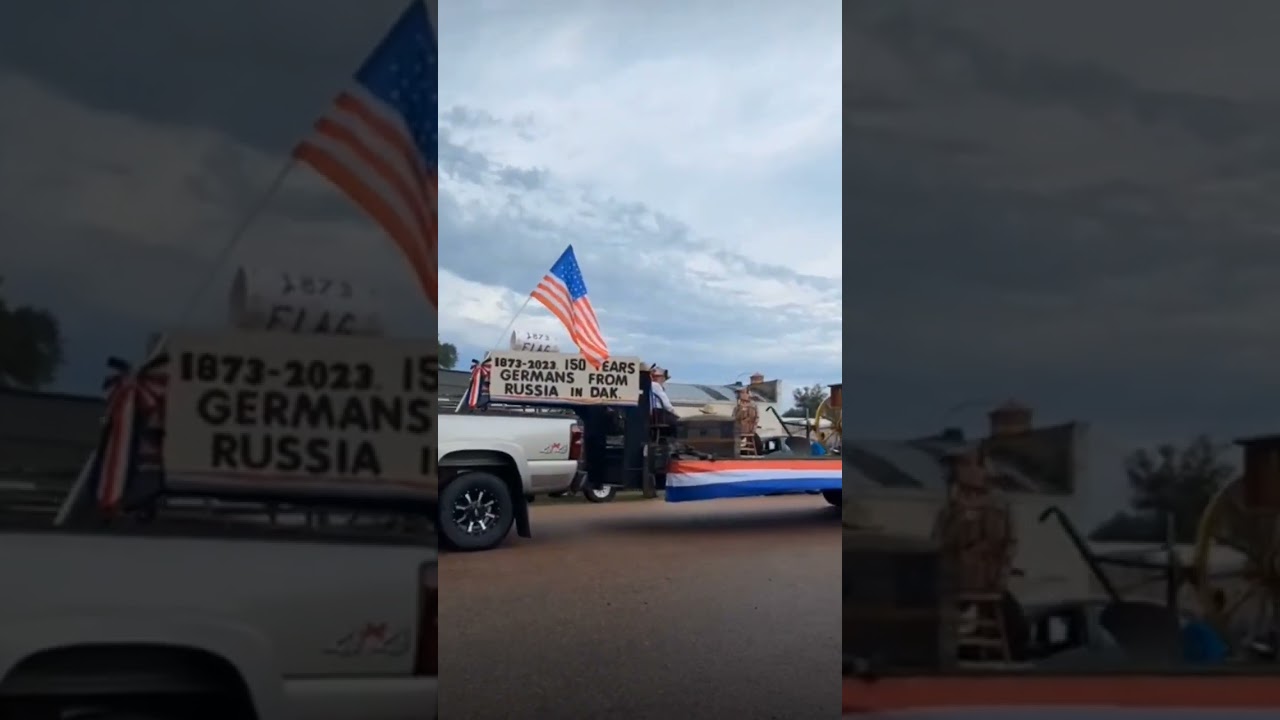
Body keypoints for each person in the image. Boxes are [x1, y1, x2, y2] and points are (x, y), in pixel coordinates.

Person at [648, 365, 679, 432]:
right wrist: (676, 415)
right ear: (661, 378)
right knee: (680, 424)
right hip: (658, 414)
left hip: (649, 415)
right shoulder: (655, 385)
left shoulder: (647, 385)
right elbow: (667, 405)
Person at [732, 387, 761, 454]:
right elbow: (734, 418)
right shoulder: (737, 407)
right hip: (741, 429)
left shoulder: (752, 406)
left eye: (742, 393)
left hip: (747, 429)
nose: (740, 395)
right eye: (740, 393)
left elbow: (755, 417)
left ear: (747, 394)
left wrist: (754, 427)